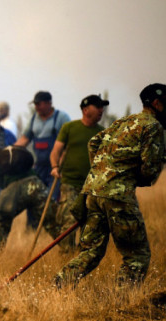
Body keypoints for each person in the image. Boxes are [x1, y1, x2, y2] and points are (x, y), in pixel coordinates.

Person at [54, 83, 166, 288]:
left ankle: (58, 285)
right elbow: (148, 174)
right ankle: (123, 301)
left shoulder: (124, 121)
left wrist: (103, 172)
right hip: (117, 198)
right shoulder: (152, 126)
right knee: (136, 254)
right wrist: (145, 168)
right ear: (157, 103)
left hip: (93, 193)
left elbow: (94, 142)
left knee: (91, 251)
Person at [50, 94, 109, 252]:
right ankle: (65, 258)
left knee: (89, 225)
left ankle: (82, 260)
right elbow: (55, 151)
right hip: (70, 183)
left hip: (92, 187)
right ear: (85, 109)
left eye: (102, 107)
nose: (101, 110)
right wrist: (55, 167)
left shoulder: (103, 133)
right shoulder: (70, 128)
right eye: (98, 106)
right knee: (69, 220)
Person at [15, 91, 71, 192]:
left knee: (52, 198)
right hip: (39, 167)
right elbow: (25, 139)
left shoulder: (61, 117)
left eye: (38, 104)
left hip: (55, 168)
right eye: (35, 104)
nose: (36, 107)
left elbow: (69, 143)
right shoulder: (33, 119)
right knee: (37, 196)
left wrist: (61, 164)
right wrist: (11, 150)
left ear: (48, 103)